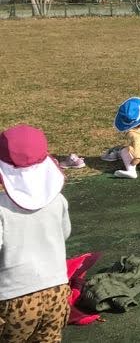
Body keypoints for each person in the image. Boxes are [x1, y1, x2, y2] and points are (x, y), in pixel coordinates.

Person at [0, 124, 71, 342]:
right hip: (58, 291)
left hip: (14, 299)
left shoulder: (1, 208)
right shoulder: (57, 200)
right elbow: (65, 233)